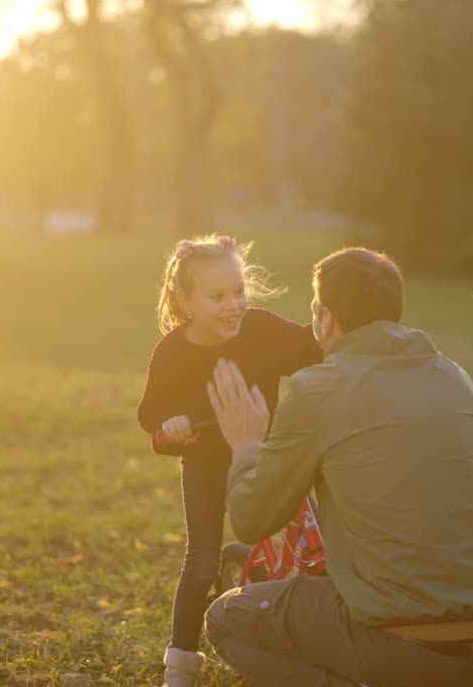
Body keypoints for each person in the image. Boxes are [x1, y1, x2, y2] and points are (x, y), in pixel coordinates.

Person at [204, 247, 473, 687]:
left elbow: (251, 521)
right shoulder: (452, 375)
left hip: (405, 646)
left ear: (325, 318)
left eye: (314, 312)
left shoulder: (319, 388)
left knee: (226, 618)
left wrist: (246, 444)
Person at [136, 234, 323, 687]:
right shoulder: (172, 353)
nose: (233, 305)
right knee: (200, 560)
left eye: (238, 291)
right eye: (217, 296)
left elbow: (310, 350)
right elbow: (150, 414)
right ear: (185, 301)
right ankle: (180, 665)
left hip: (267, 458)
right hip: (205, 463)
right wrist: (172, 423)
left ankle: (310, 635)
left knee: (312, 550)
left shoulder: (260, 329)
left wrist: (332, 321)